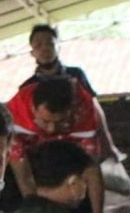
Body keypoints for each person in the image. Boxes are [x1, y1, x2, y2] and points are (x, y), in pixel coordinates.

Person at [5, 77, 107, 213]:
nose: (51, 130)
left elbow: (91, 171)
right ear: (33, 108)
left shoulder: (85, 113)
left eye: (60, 122)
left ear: (71, 110)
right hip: (31, 163)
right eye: (45, 121)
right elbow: (23, 176)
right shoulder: (14, 116)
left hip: (65, 156)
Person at [20, 24, 124, 164]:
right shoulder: (27, 87)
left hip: (81, 142)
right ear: (32, 52)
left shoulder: (76, 75)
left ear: (59, 47)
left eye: (50, 43)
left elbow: (94, 109)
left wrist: (108, 144)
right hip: (48, 151)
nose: (44, 48)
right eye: (38, 45)